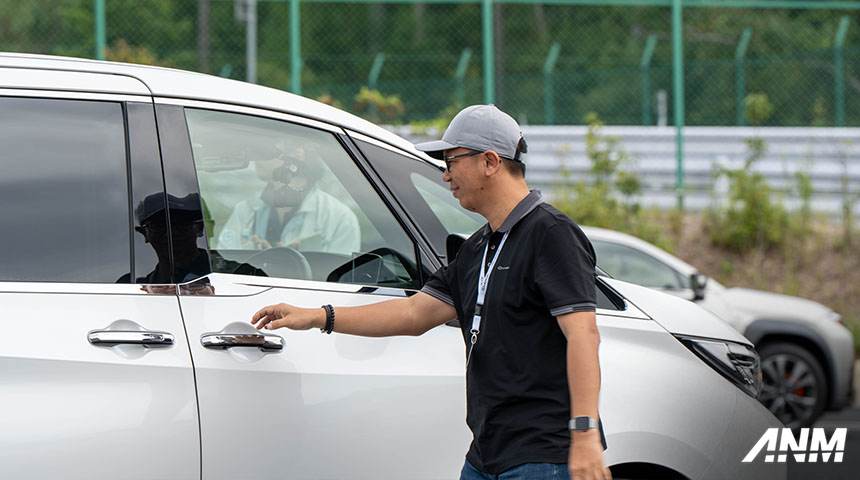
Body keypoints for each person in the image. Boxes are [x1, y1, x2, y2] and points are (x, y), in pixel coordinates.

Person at [250, 105, 610, 480]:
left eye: (451, 161)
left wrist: (584, 435)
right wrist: (317, 316)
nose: (445, 175)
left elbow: (583, 333)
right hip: (487, 454)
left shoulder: (551, 234)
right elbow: (414, 313)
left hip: (542, 456)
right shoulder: (479, 248)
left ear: (489, 161)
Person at [216, 144, 360, 255]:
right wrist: (247, 256)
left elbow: (340, 285)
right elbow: (222, 267)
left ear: (297, 155)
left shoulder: (340, 218)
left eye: (265, 147)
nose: (255, 155)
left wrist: (293, 265)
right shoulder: (245, 210)